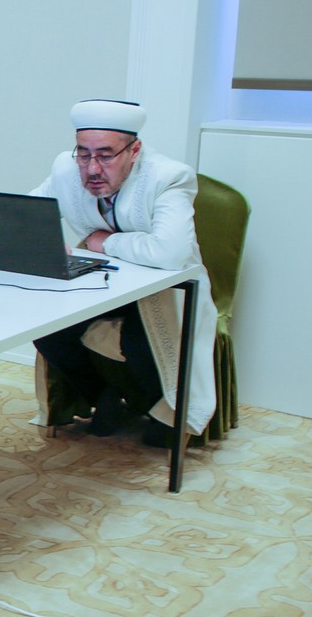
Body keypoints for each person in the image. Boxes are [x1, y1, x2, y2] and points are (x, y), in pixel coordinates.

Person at [30, 99, 217, 445]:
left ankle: (159, 410)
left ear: (134, 150)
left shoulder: (168, 177)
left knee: (139, 339)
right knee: (45, 327)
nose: (92, 168)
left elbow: (170, 253)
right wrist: (45, 242)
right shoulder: (66, 168)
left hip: (165, 289)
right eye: (84, 154)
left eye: (105, 155)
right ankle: (104, 396)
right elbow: (30, 212)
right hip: (104, 283)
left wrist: (107, 242)